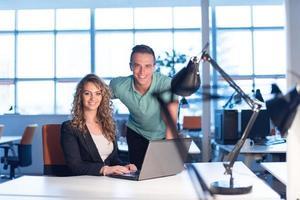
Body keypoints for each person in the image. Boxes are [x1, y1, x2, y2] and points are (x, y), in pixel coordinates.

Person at [109, 44, 178, 169]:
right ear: (130, 66)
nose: (142, 72)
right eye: (137, 65)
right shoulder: (119, 85)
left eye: (147, 66)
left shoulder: (166, 85)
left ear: (154, 67)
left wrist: (169, 155)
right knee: (138, 174)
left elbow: (171, 123)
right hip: (136, 133)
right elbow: (97, 99)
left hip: (161, 135)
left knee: (163, 173)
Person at [61, 74, 137, 176]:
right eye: (87, 93)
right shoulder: (69, 128)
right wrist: (104, 170)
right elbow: (75, 166)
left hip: (108, 184)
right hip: (83, 185)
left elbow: (113, 160)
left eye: (98, 93)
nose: (93, 98)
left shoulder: (109, 125)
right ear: (80, 96)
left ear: (102, 97)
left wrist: (125, 166)